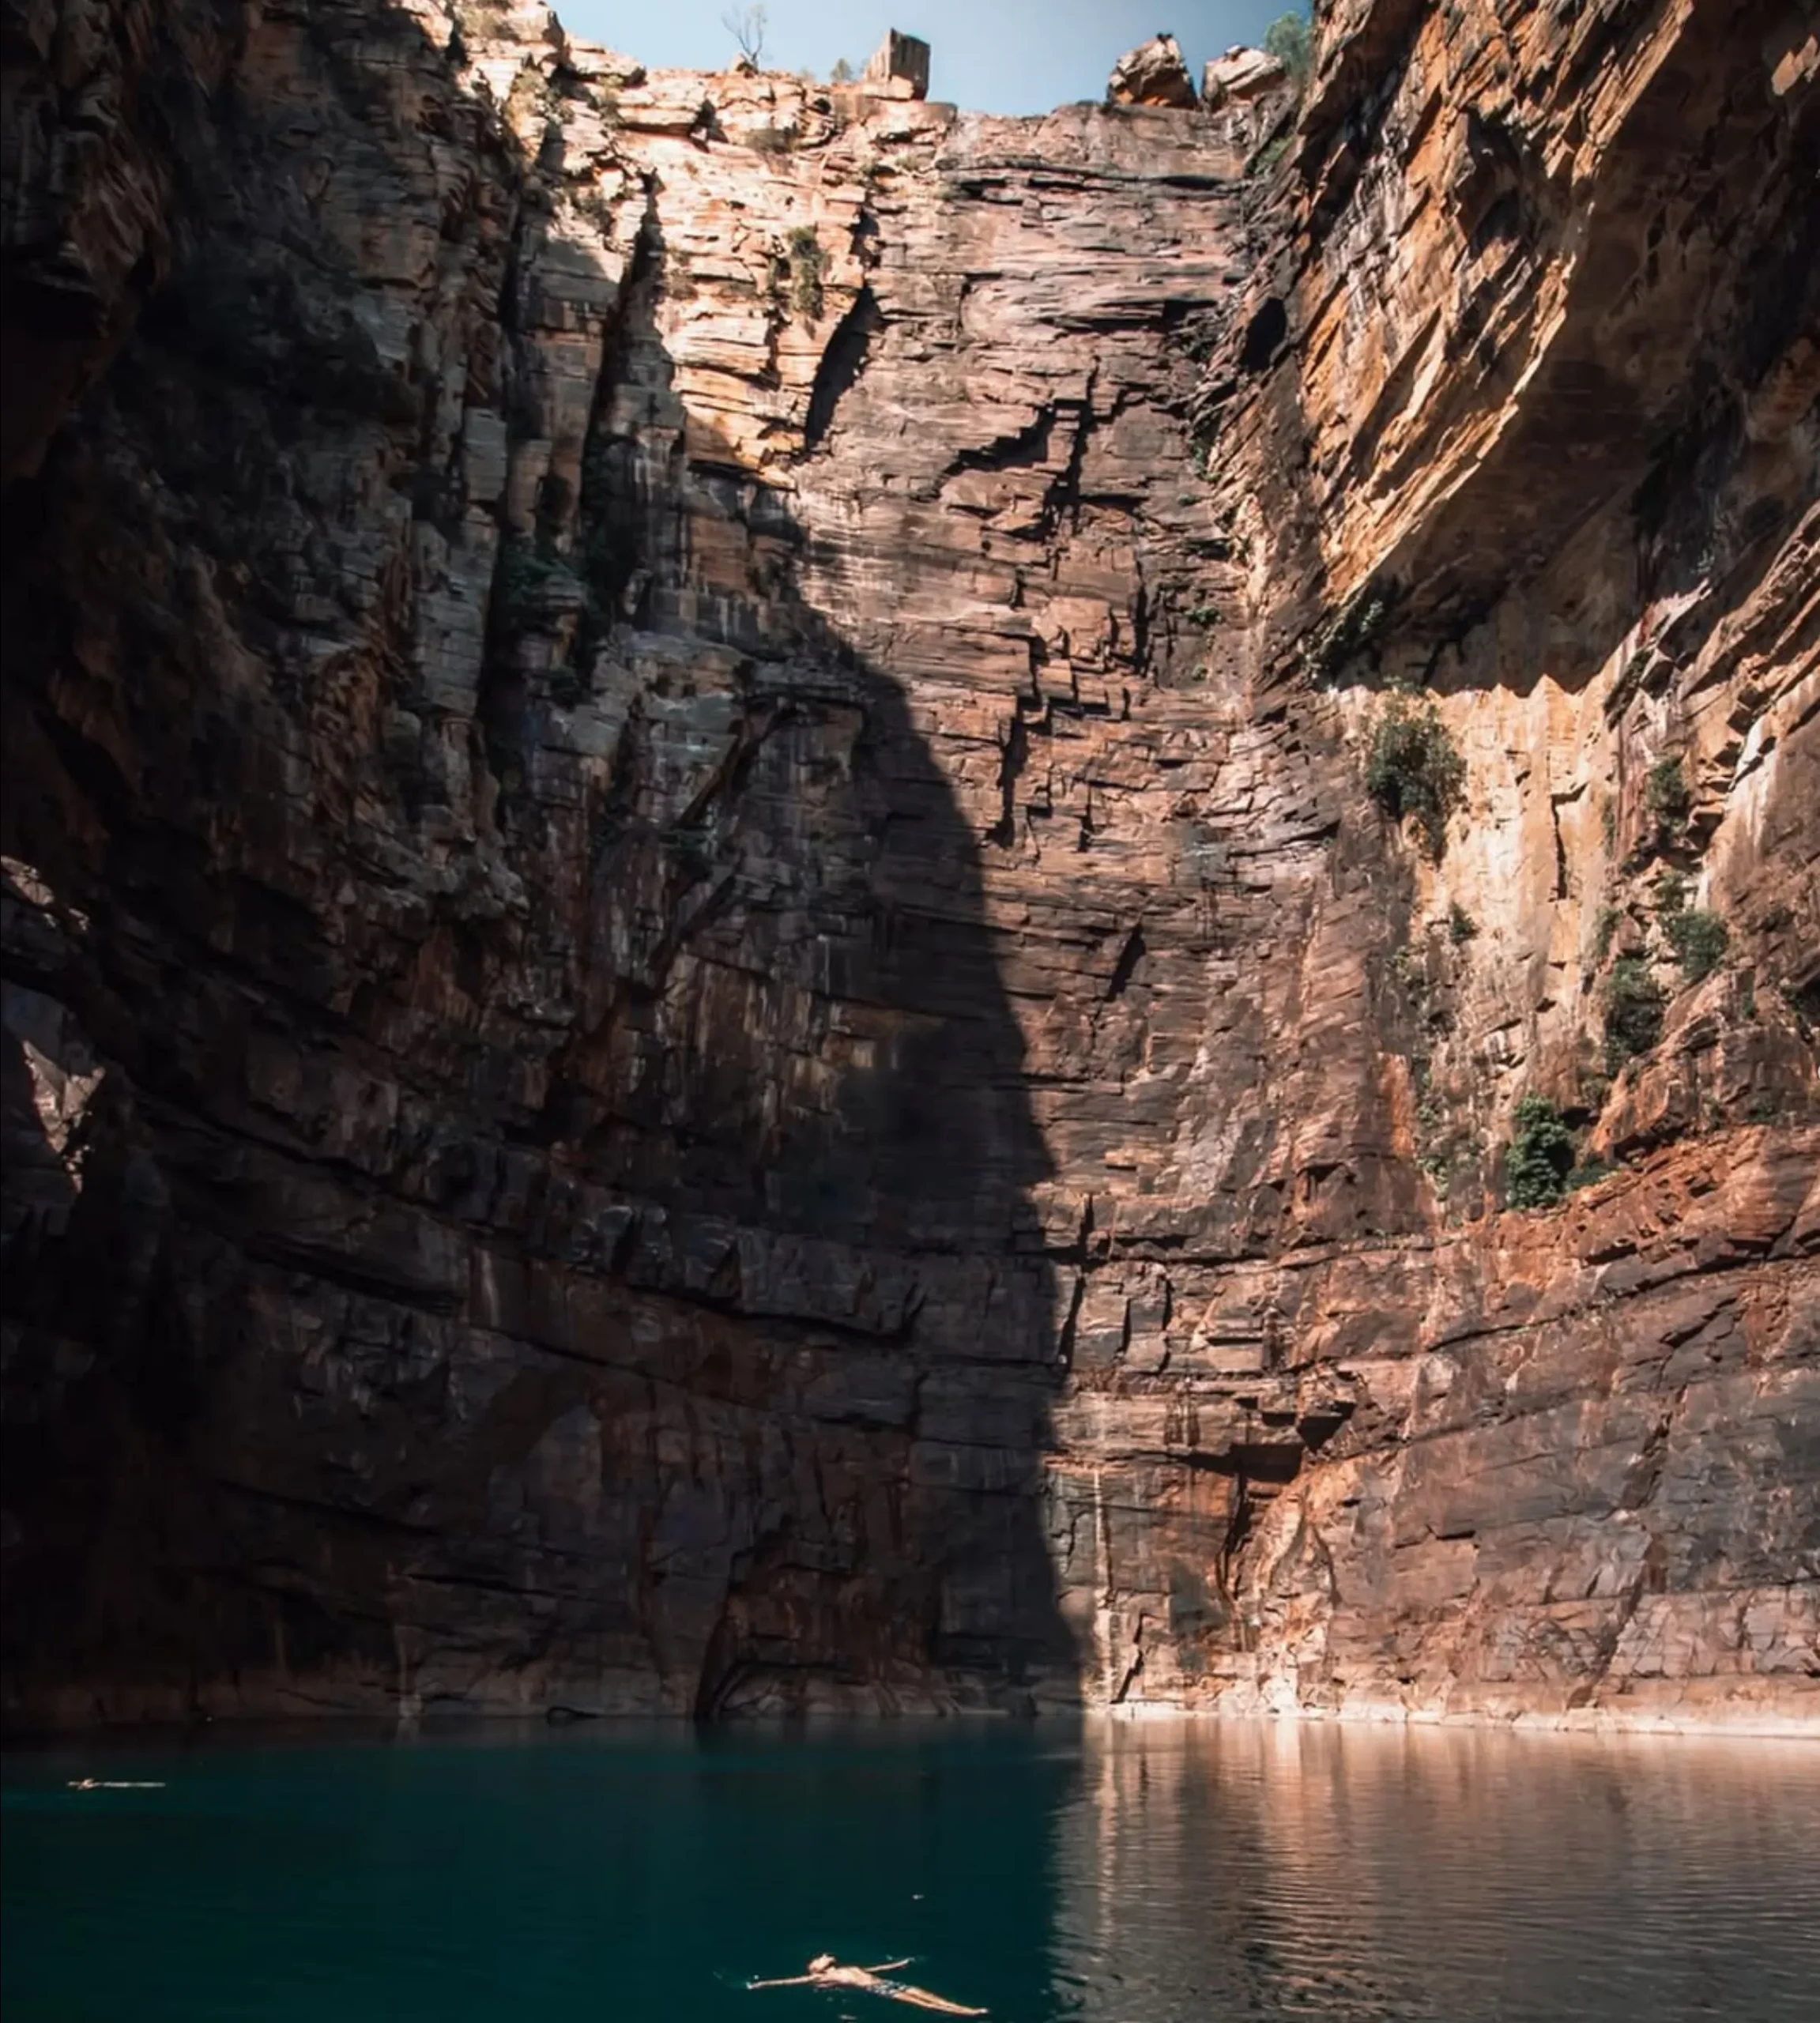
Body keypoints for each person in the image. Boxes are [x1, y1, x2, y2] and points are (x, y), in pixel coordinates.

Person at [747, 1953, 987, 2015]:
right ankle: (964, 2014)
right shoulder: (821, 1977)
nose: (824, 1956)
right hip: (877, 1989)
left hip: (888, 1982)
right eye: (819, 1958)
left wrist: (900, 1963)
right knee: (925, 2004)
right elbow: (791, 1981)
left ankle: (964, 2009)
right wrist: (761, 1985)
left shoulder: (848, 1968)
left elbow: (879, 1969)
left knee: (933, 1997)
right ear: (817, 1968)